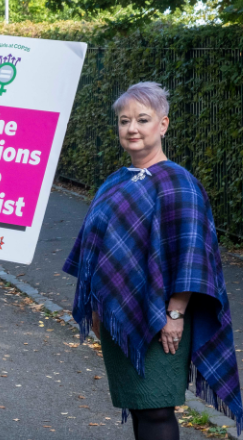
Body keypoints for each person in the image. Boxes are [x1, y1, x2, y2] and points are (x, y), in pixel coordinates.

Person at [64, 82, 243, 440]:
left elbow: (194, 254)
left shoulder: (179, 183)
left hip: (163, 319)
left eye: (142, 119)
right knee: (141, 408)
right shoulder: (115, 182)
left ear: (163, 124)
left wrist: (175, 314)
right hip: (121, 317)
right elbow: (96, 253)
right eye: (124, 120)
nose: (131, 128)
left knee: (157, 408)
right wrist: (100, 309)